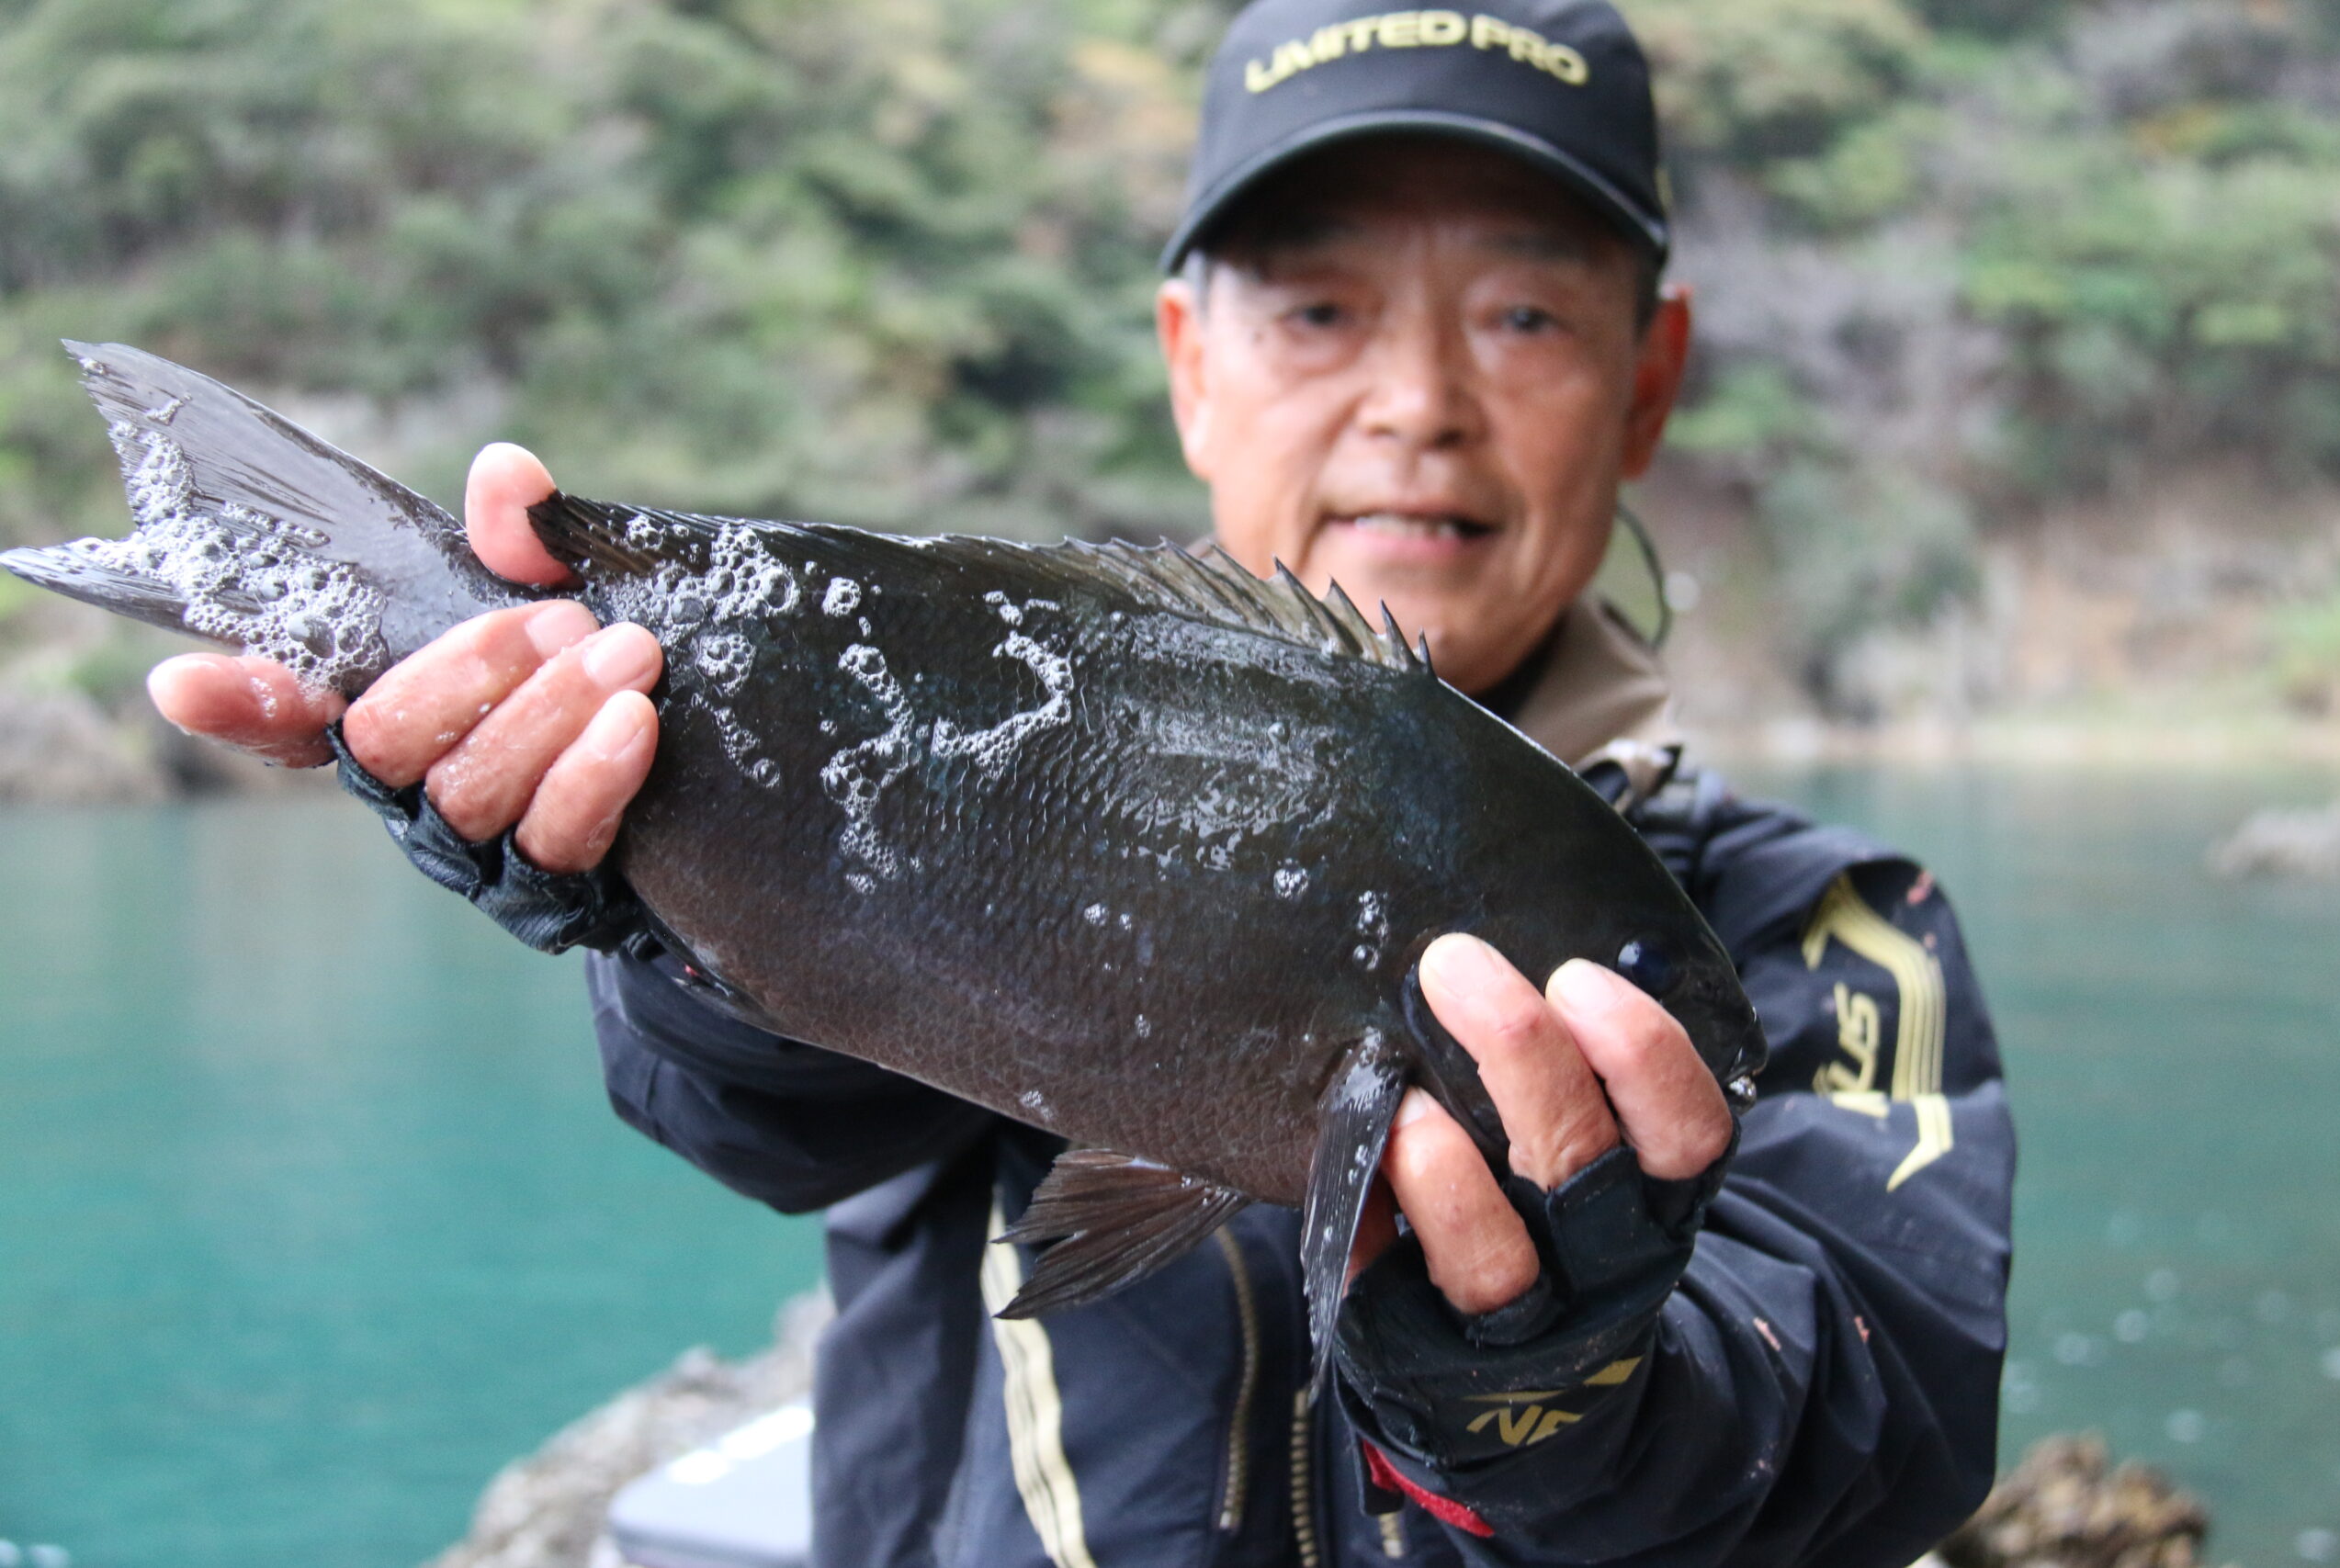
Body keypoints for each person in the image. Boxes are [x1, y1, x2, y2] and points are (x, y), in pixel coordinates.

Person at [145, 0, 2014, 1562]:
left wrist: (1553, 1376)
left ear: (1646, 379)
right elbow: (751, 1112)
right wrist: (633, 872)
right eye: (1314, 312)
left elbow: (1869, 1432)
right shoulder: (1028, 719)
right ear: (1188, 369)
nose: (1416, 401)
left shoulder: (1820, 932)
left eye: (1523, 315)